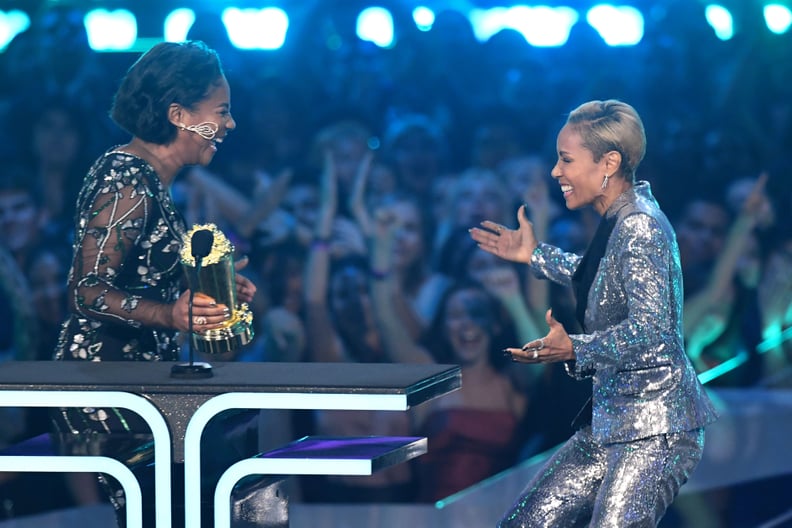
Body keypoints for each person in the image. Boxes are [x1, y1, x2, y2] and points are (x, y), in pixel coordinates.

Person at [469, 99, 718, 527]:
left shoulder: (640, 225)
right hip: (612, 421)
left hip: (654, 428)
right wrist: (535, 255)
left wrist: (575, 348)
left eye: (566, 160)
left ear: (609, 162)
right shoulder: (621, 219)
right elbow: (597, 277)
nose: (555, 172)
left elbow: (655, 333)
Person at [51, 41, 256, 527]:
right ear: (178, 114)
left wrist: (216, 295)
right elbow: (85, 289)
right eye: (221, 111)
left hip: (148, 383)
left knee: (225, 492)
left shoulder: (152, 184)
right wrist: (168, 314)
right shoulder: (126, 179)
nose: (230, 124)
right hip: (107, 386)